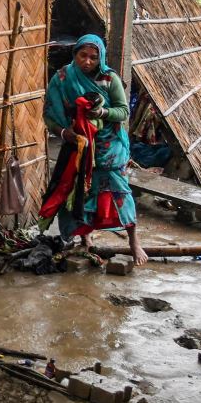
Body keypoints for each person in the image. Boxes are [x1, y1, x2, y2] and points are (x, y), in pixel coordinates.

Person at [41, 33, 147, 266]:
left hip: (110, 147)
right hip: (78, 145)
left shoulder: (109, 79)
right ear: (75, 54)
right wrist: (64, 133)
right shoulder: (62, 78)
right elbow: (49, 114)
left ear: (101, 58)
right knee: (80, 192)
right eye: (83, 56)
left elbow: (122, 111)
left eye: (93, 57)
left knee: (119, 191)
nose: (87, 61)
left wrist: (102, 113)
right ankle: (85, 239)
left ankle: (133, 241)